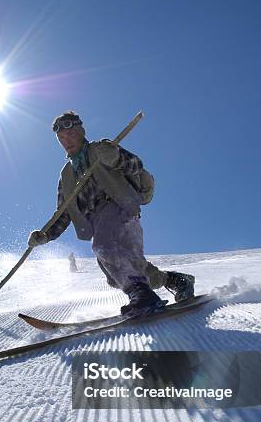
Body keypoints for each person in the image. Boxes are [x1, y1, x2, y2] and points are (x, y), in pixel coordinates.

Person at [28, 111, 195, 317]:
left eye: (70, 134)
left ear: (81, 131)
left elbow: (135, 165)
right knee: (122, 269)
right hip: (96, 222)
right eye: (61, 138)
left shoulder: (101, 149)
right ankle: (177, 281)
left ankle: (144, 297)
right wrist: (46, 235)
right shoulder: (66, 175)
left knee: (104, 247)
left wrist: (116, 157)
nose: (66, 141)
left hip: (119, 208)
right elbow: (64, 213)